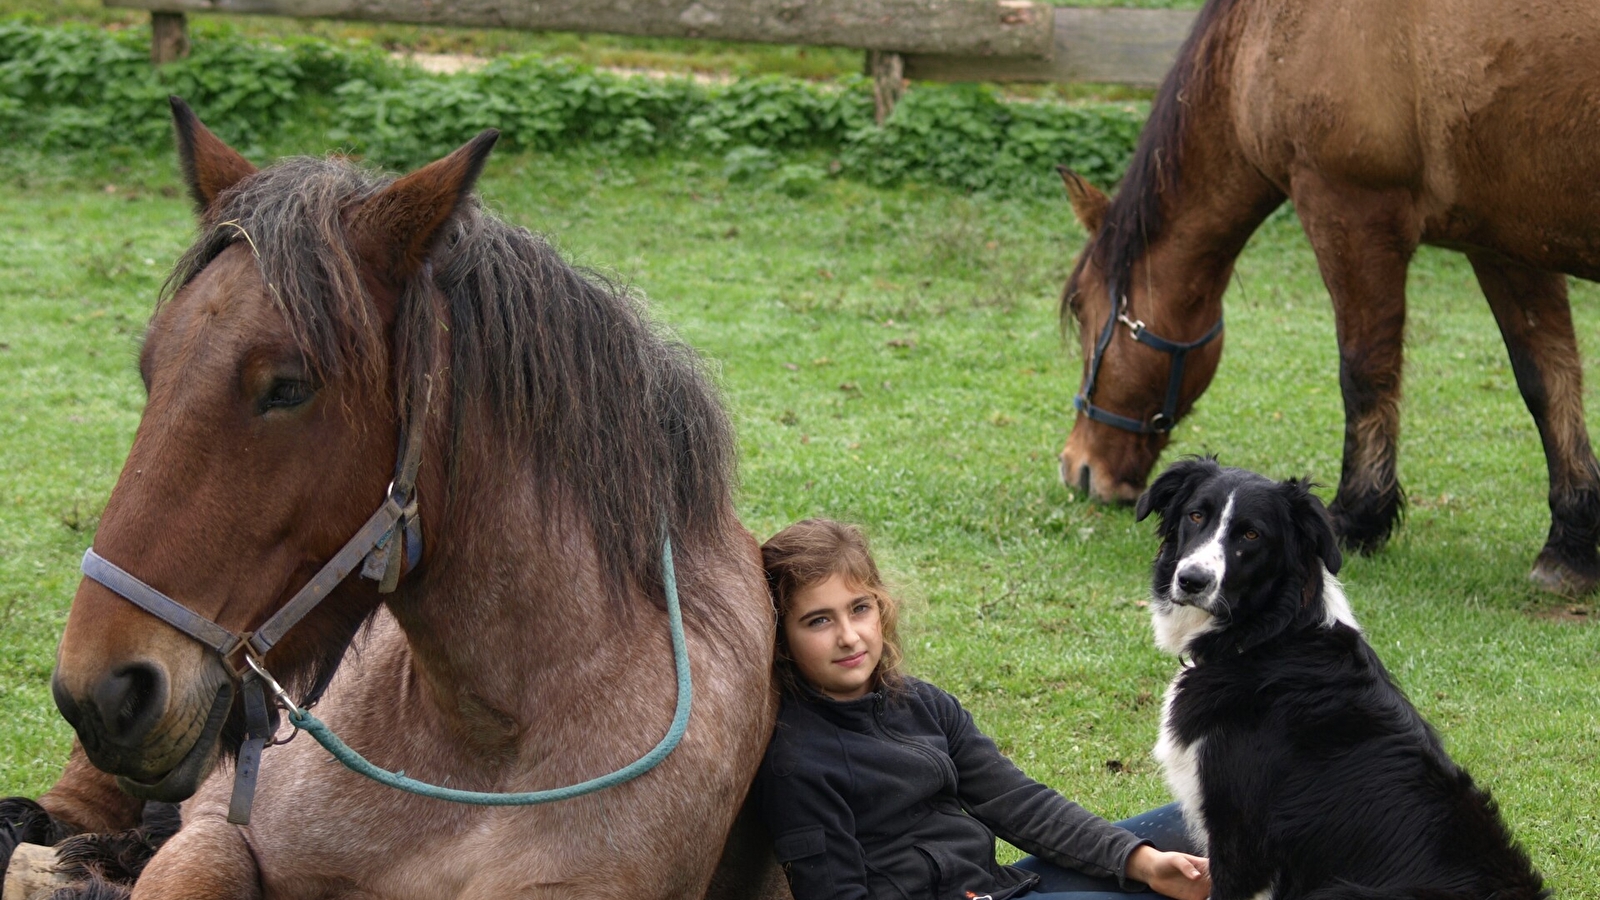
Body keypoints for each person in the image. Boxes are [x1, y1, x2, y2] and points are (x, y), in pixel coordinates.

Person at [756, 518, 1210, 900]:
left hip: (997, 885)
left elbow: (1021, 805)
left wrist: (1143, 862)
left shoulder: (922, 704)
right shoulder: (799, 763)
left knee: (1208, 822)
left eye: (859, 609)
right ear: (780, 639)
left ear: (882, 608)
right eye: (819, 620)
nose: (849, 636)